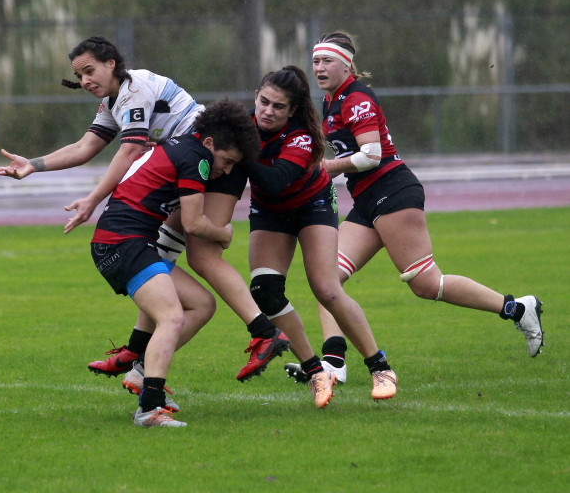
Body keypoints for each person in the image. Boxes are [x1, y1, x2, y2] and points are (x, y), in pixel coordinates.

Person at [0, 36, 289, 384]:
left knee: (201, 257)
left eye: (90, 71)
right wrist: (34, 164)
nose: (86, 81)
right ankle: (139, 355)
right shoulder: (113, 102)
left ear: (111, 64)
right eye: (80, 75)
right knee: (159, 260)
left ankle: (264, 332)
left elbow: (130, 151)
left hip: (217, 160)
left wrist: (93, 199)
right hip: (190, 164)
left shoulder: (135, 89)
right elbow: (86, 146)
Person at [305, 31, 544, 381]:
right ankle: (334, 361)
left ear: (346, 65)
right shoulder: (331, 100)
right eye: (315, 61)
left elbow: (371, 156)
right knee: (326, 279)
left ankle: (516, 308)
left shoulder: (356, 98)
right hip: (368, 200)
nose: (320, 68)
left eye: (327, 61)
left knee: (426, 284)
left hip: (393, 192)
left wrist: (325, 167)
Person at [89, 99, 259, 427]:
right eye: (226, 161)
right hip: (122, 243)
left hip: (126, 242)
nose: (225, 170)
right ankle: (149, 408)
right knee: (171, 317)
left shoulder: (182, 146)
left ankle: (142, 375)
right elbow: (194, 224)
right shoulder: (196, 157)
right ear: (209, 143)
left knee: (202, 304)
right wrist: (223, 233)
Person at [242, 66, 397, 407]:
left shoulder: (302, 136)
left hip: (311, 205)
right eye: (263, 102)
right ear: (255, 96)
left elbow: (275, 179)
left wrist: (240, 153)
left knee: (326, 288)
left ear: (292, 110)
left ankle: (380, 366)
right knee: (264, 291)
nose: (268, 111)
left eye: (278, 107)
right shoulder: (244, 126)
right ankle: (316, 371)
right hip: (269, 212)